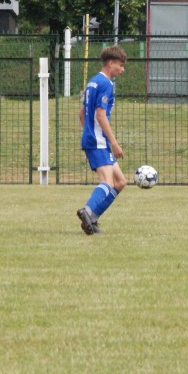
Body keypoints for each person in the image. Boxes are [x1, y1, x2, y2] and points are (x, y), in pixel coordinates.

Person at [76, 46, 128, 235]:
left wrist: (88, 133)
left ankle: (91, 219)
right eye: (120, 65)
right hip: (99, 141)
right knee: (107, 182)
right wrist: (113, 142)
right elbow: (100, 115)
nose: (122, 70)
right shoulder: (106, 84)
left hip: (95, 139)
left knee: (120, 181)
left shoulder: (93, 82)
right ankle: (87, 211)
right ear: (111, 63)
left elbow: (82, 113)